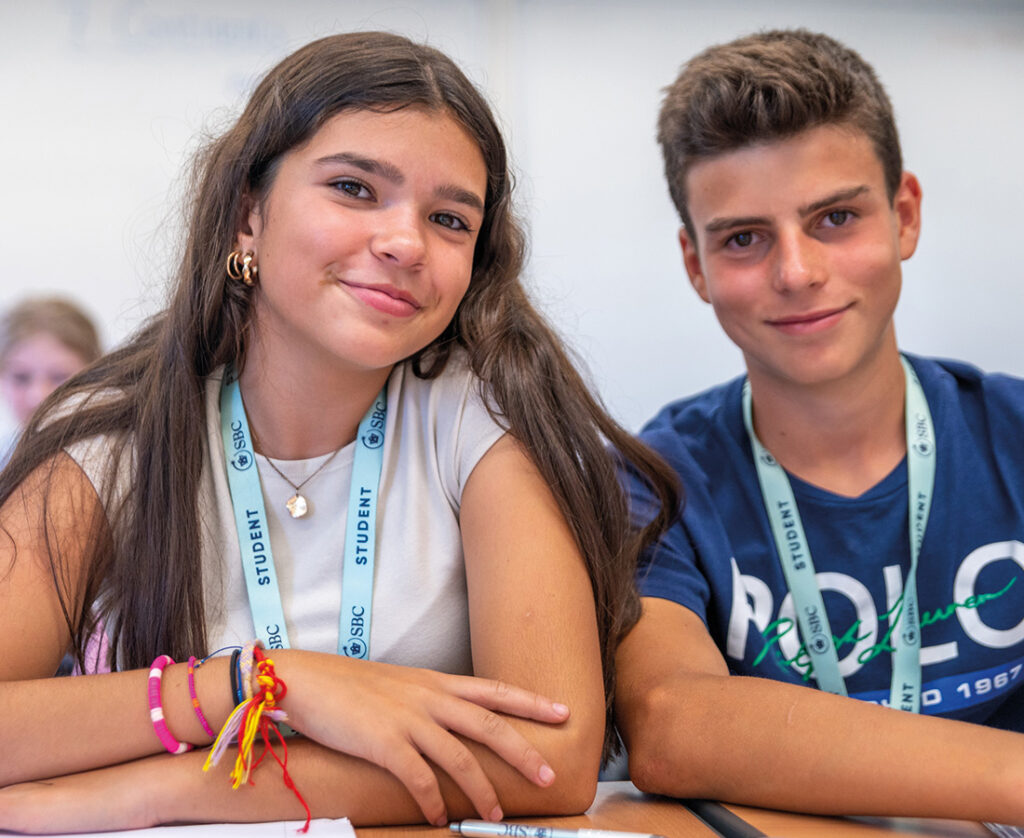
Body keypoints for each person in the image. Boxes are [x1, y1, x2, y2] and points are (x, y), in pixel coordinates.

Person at [0, 32, 676, 832]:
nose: (404, 241)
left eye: (450, 218)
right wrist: (262, 682)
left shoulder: (485, 420)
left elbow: (551, 762)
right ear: (248, 214)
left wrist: (155, 790)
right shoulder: (113, 437)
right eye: (355, 188)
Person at [616, 29, 1024, 824]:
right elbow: (670, 723)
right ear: (695, 265)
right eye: (743, 238)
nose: (797, 272)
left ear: (904, 216)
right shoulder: (653, 480)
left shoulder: (1014, 432)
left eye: (835, 218)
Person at [0, 296, 101, 468]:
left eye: (59, 377)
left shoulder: (114, 459)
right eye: (21, 377)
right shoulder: (4, 456)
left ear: (96, 375)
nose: (38, 396)